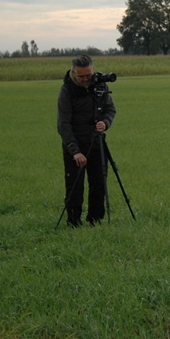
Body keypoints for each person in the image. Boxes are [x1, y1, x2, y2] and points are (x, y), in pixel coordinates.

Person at [57, 55, 116, 227]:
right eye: (81, 76)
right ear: (73, 73)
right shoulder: (67, 90)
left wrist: (105, 123)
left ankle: (95, 220)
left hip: (97, 142)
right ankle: (73, 222)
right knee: (75, 187)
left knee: (99, 184)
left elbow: (110, 109)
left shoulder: (100, 85)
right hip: (75, 144)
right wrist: (75, 151)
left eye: (88, 75)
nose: (85, 79)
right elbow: (63, 124)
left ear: (93, 70)